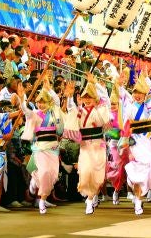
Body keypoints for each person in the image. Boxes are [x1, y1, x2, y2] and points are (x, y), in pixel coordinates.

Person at [118, 71, 151, 215]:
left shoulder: (149, 107)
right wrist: (126, 140)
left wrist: (146, 80)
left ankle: (139, 194)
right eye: (135, 92)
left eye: (140, 93)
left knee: (149, 168)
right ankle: (138, 201)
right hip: (135, 144)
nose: (137, 95)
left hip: (147, 143)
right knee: (138, 173)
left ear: (145, 95)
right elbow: (126, 125)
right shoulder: (130, 107)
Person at [66, 74, 110, 214]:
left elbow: (106, 102)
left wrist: (95, 83)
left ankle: (91, 199)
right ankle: (90, 198)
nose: (87, 100)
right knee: (85, 171)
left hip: (98, 145)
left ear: (95, 98)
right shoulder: (80, 111)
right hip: (85, 146)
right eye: (85, 98)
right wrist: (69, 97)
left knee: (97, 174)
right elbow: (71, 110)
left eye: (90, 97)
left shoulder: (100, 109)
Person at [20, 78, 66, 214]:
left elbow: (57, 102)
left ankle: (35, 182)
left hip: (53, 147)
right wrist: (22, 97)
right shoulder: (34, 114)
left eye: (44, 102)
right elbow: (24, 110)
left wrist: (48, 89)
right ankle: (41, 199)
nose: (41, 104)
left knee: (53, 175)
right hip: (40, 147)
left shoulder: (54, 113)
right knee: (45, 171)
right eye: (39, 102)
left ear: (48, 103)